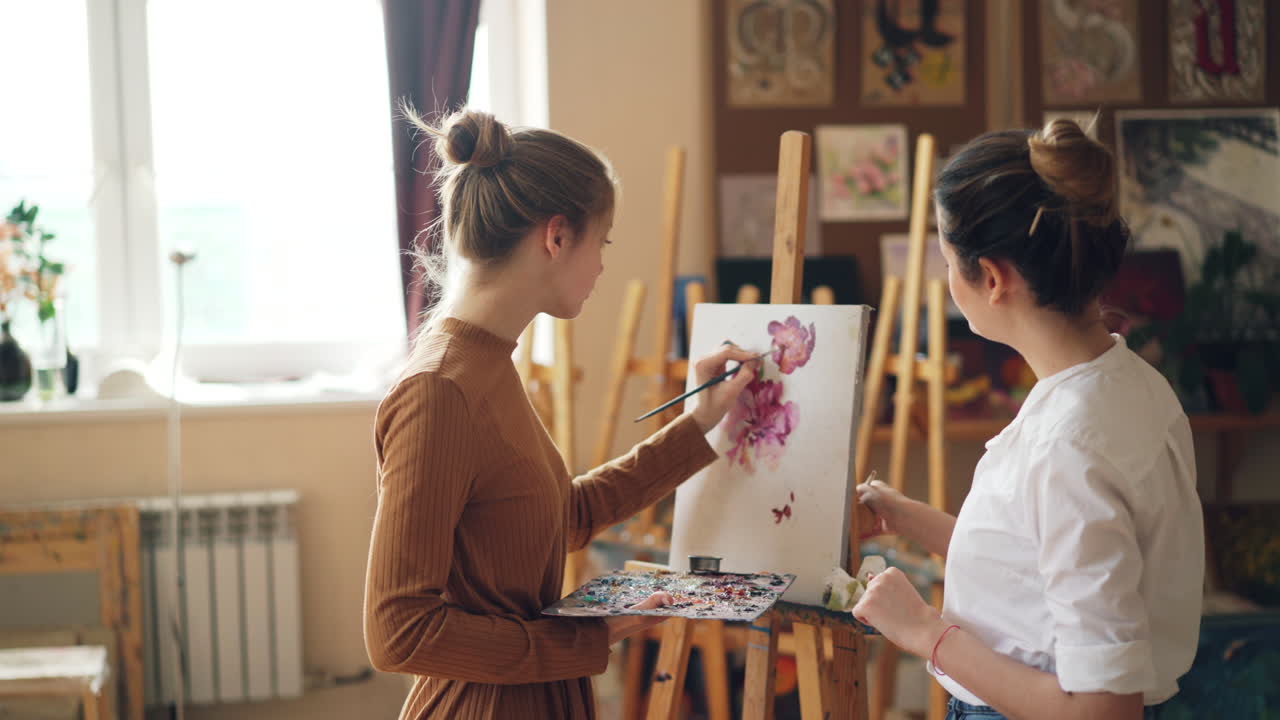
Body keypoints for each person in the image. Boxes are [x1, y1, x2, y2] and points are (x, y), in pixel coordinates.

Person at [362, 107, 759, 720]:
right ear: (556, 236)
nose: (601, 264)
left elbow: (562, 516)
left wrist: (701, 420)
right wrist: (588, 637)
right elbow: (399, 632)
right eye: (600, 242)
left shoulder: (489, 362)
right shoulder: (439, 390)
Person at [852, 119, 1203, 720]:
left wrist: (923, 632)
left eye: (946, 260)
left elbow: (1101, 709)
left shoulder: (1071, 446)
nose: (944, 279)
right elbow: (1038, 560)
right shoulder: (1125, 383)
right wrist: (907, 517)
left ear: (991, 278)